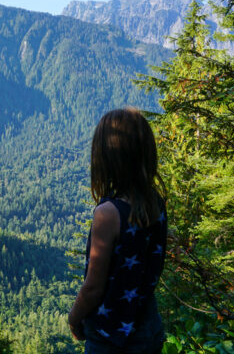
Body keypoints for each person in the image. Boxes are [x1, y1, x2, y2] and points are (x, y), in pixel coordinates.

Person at [68, 108, 167, 354]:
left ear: (107, 158)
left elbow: (93, 288)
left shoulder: (108, 214)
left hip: (110, 336)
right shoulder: (155, 203)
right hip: (149, 327)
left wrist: (74, 317)